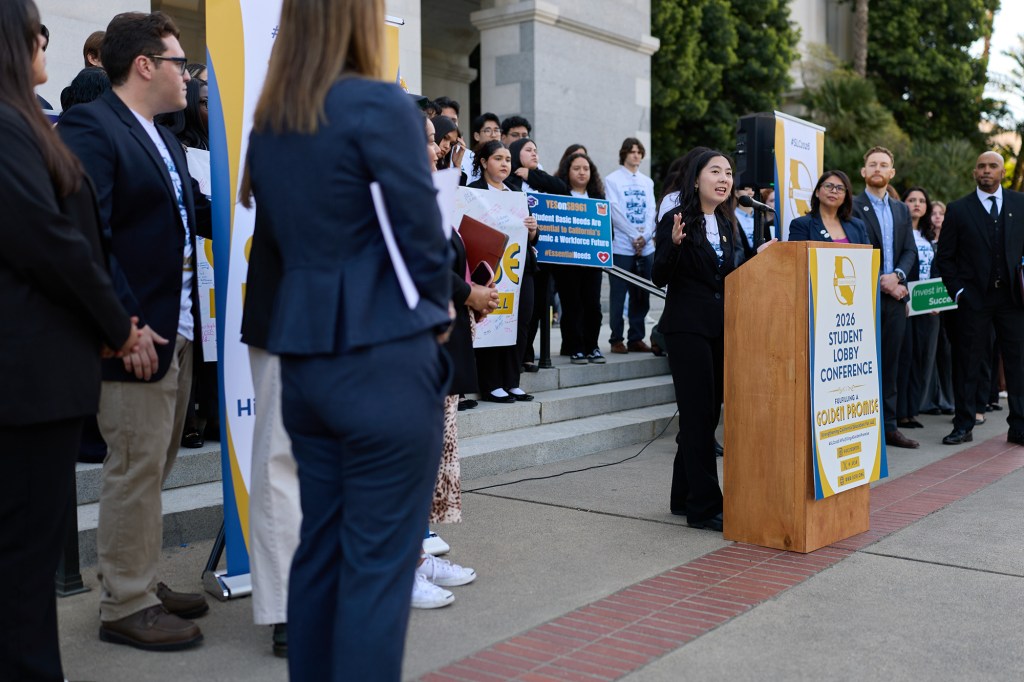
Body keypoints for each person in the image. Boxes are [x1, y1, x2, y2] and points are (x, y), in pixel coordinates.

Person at [238, 0, 453, 676]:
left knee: (322, 558)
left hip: (305, 363)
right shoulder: (376, 105)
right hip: (383, 361)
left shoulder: (272, 121)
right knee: (376, 575)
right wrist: (440, 310)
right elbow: (425, 242)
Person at [59, 10, 213, 650]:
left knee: (157, 463)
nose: (190, 77)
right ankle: (124, 602)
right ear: (146, 65)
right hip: (134, 331)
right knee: (133, 465)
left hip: (176, 324)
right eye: (181, 63)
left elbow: (191, 212)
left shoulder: (165, 136)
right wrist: (122, 323)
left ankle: (141, 579)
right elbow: (87, 232)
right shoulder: (93, 127)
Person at [0, 3, 139, 677]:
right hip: (25, 380)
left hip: (40, 377)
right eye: (35, 35)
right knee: (24, 574)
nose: (43, 46)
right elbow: (50, 241)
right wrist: (116, 323)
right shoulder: (6, 128)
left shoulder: (23, 122)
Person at [653, 149, 775, 532]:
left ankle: (681, 495)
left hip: (720, 329)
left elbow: (728, 277)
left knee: (705, 414)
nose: (724, 179)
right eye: (715, 172)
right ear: (695, 179)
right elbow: (658, 276)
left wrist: (757, 257)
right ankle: (704, 507)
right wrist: (672, 245)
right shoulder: (677, 220)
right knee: (698, 415)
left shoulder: (726, 223)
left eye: (728, 173)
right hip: (686, 328)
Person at [936, 151, 1024, 446]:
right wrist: (959, 292)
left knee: (1018, 363)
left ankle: (1019, 427)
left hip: (1013, 299)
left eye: (993, 166)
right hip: (974, 299)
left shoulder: (1020, 204)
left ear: (1002, 172)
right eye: (982, 166)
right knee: (967, 363)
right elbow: (945, 258)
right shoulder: (959, 209)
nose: (987, 171)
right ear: (975, 172)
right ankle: (963, 424)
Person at [852, 146, 919, 449]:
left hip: (894, 299)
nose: (878, 169)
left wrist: (898, 277)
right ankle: (859, 427)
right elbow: (852, 249)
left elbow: (910, 251)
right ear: (864, 171)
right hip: (863, 297)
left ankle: (888, 427)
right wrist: (882, 280)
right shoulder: (850, 207)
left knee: (890, 364)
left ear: (892, 173)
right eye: (872, 164)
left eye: (884, 165)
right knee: (862, 365)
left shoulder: (901, 209)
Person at [468, 140, 538, 403]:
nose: (504, 164)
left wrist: (533, 230)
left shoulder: (517, 193)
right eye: (498, 158)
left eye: (508, 159)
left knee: (520, 322)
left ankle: (512, 381)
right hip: (489, 270)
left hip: (520, 270)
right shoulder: (472, 192)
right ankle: (490, 383)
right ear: (484, 162)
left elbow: (532, 238)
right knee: (491, 322)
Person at [551, 151, 606, 363]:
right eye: (576, 168)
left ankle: (592, 346)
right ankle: (575, 348)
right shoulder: (561, 196)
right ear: (567, 171)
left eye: (586, 168)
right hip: (567, 265)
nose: (582, 172)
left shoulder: (598, 199)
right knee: (572, 306)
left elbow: (605, 230)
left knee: (593, 306)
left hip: (592, 264)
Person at [604, 137, 656, 354]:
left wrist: (645, 236)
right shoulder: (612, 179)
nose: (636, 155)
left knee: (641, 295)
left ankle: (636, 338)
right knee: (619, 294)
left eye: (639, 151)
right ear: (624, 153)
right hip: (623, 246)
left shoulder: (648, 181)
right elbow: (614, 210)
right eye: (632, 151)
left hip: (646, 247)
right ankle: (616, 338)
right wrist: (635, 235)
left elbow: (652, 210)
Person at [896, 187, 935, 431]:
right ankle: (900, 413)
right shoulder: (900, 232)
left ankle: (912, 411)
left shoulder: (927, 235)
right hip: (904, 301)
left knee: (921, 357)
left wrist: (937, 300)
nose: (917, 204)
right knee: (904, 357)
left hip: (927, 304)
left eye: (921, 201)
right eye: (912, 200)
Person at [787, 171, 869, 244]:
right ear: (817, 192)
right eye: (828, 186)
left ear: (845, 196)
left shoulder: (858, 226)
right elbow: (796, 259)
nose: (834, 191)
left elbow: (869, 258)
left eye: (840, 188)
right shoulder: (801, 225)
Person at [462, 111, 500, 181]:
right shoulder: (467, 159)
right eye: (488, 131)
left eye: (496, 130)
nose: (493, 135)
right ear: (477, 136)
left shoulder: (505, 161)